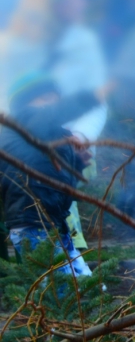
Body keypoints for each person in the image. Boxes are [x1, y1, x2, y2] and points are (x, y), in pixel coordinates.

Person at [0, 73, 104, 276]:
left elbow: (60, 181)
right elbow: (54, 114)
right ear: (25, 103)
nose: (54, 102)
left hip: (54, 222)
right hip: (32, 221)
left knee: (83, 283)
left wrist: (78, 165)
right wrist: (91, 97)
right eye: (46, 97)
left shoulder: (48, 135)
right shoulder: (25, 119)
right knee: (59, 289)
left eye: (55, 97)